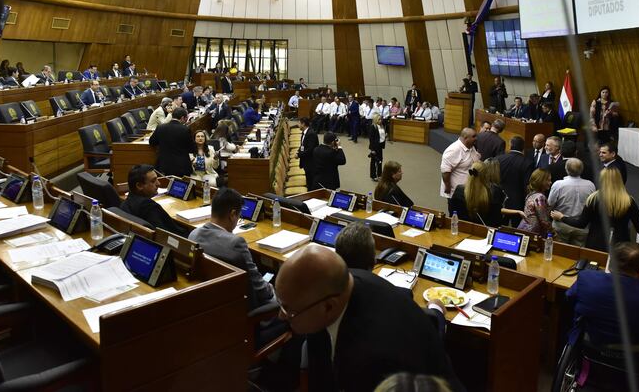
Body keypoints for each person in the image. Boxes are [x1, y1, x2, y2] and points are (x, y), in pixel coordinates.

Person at [275, 246, 463, 392]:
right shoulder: (342, 285)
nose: (281, 315)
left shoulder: (373, 358)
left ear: (329, 306)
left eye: (289, 310)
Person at [565, 242, 639, 360]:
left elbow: (569, 298)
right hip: (636, 354)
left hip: (592, 344)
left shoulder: (587, 278)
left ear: (610, 265)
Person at [553, 168, 639, 256]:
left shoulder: (593, 199)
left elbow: (581, 223)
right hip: (621, 245)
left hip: (596, 243)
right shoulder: (628, 201)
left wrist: (562, 217)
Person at [189, 188, 274, 309]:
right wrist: (272, 288)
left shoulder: (193, 234)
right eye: (239, 215)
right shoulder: (235, 243)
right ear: (233, 214)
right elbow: (261, 290)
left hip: (214, 301)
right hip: (243, 310)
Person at [120, 164, 188, 237]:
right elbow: (165, 235)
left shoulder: (126, 202)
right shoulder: (148, 206)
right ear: (139, 186)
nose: (158, 184)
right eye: (153, 181)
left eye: (157, 179)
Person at [449, 161, 522, 228]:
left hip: (461, 231)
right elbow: (496, 221)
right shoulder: (493, 192)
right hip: (484, 234)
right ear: (486, 175)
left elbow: (452, 215)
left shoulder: (459, 190)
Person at [548, 158, 595, 246]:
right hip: (582, 227)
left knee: (559, 254)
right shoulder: (590, 185)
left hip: (561, 225)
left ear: (566, 169)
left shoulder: (558, 185)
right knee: (578, 255)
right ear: (582, 169)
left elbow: (550, 204)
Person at [148, 108, 193, 177]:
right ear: (182, 118)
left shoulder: (160, 127)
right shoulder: (185, 129)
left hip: (164, 166)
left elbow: (152, 142)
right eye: (186, 118)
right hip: (181, 167)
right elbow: (190, 148)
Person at [497, 136, 533, 215]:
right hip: (518, 201)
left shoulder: (499, 159)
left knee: (501, 225)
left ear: (510, 145)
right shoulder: (527, 162)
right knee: (515, 226)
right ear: (523, 147)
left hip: (500, 198)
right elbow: (527, 184)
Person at [440, 128, 480, 198]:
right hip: (456, 192)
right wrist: (447, 186)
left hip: (468, 189)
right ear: (465, 138)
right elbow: (445, 172)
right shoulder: (453, 150)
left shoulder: (471, 147)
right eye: (473, 136)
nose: (476, 138)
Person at [517, 169, 555, 237]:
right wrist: (553, 232)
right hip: (532, 233)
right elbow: (544, 220)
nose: (550, 182)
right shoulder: (540, 197)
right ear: (541, 181)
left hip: (524, 229)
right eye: (548, 180)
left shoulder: (531, 194)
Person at [297, 117, 319, 190]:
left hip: (311, 162)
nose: (298, 125)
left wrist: (298, 155)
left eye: (299, 123)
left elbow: (310, 150)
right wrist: (299, 150)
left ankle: (311, 194)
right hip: (306, 161)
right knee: (308, 179)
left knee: (311, 181)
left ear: (303, 124)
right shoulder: (305, 132)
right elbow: (303, 145)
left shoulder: (311, 134)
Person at [368, 113, 386, 181]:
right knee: (373, 161)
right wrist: (372, 149)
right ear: (375, 120)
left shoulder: (381, 126)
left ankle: (379, 174)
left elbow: (381, 135)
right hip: (375, 147)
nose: (381, 120)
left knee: (380, 160)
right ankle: (373, 175)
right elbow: (371, 139)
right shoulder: (373, 127)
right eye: (379, 119)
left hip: (380, 146)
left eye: (381, 119)